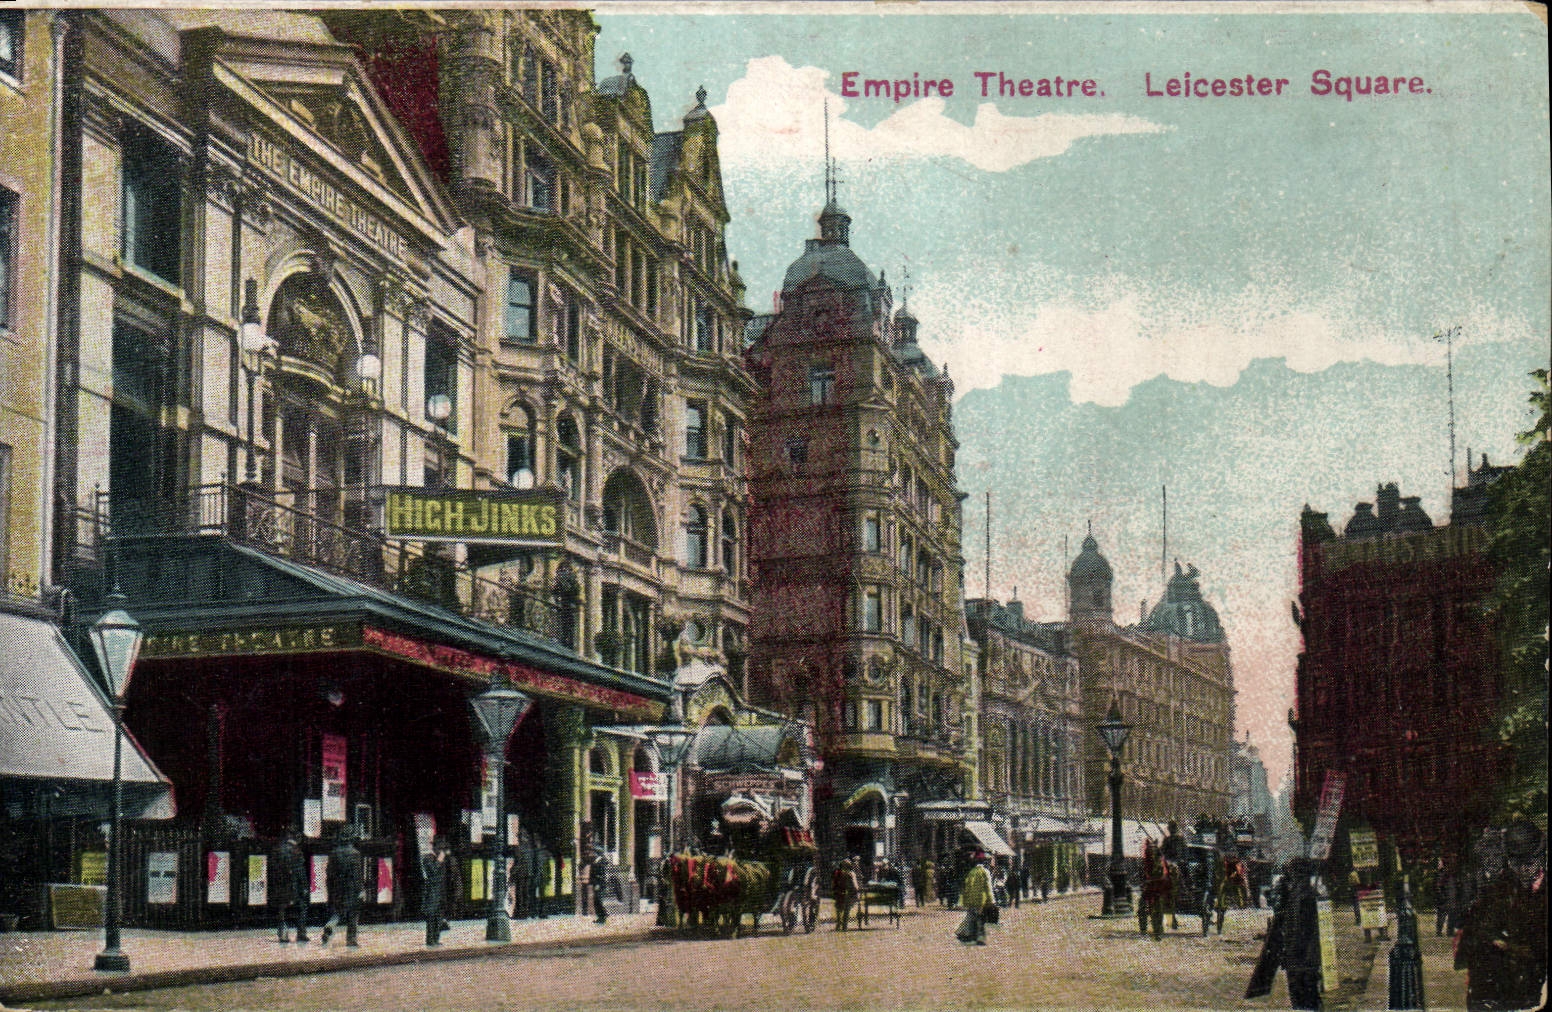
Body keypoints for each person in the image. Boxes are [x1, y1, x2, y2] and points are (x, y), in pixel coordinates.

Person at [1454, 820, 1548, 1011]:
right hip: (1502, 988)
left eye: (1529, 862)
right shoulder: (1497, 890)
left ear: (1541, 857)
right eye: (1516, 862)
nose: (1522, 869)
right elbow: (1477, 934)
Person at [1246, 856, 1323, 1010]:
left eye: (1291, 872)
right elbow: (1279, 912)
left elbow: (1311, 933)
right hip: (1296, 957)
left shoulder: (1305, 897)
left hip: (1301, 959)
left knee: (1304, 999)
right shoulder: (1294, 894)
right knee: (1302, 999)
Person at [320, 825, 363, 947]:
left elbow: (329, 872)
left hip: (336, 887)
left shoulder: (334, 853)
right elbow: (357, 874)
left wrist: (330, 888)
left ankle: (330, 925)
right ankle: (351, 939)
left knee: (338, 912)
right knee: (353, 913)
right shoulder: (355, 854)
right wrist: (360, 890)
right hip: (351, 888)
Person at [271, 829, 310, 943]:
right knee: (302, 907)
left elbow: (272, 869)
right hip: (294, 886)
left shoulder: (277, 850)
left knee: (282, 909)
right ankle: (301, 933)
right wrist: (304, 887)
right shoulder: (296, 851)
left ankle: (283, 934)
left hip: (280, 885)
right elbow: (300, 871)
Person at [956, 852, 994, 945]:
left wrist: (964, 900)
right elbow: (988, 888)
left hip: (971, 900)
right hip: (981, 900)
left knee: (971, 917)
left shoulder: (971, 872)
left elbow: (966, 888)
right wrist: (991, 900)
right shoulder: (985, 872)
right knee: (981, 919)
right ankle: (980, 938)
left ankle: (968, 934)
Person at [421, 836, 451, 946]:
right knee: (432, 917)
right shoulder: (427, 858)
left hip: (441, 893)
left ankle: (436, 939)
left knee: (439, 917)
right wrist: (439, 860)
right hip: (432, 893)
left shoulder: (441, 860)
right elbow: (433, 872)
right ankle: (430, 940)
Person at [589, 846, 620, 924]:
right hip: (595, 883)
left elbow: (602, 874)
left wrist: (598, 884)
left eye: (594, 852)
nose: (592, 854)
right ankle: (602, 916)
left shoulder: (602, 862)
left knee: (597, 899)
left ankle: (603, 916)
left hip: (599, 883)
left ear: (597, 853)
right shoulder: (596, 861)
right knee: (596, 900)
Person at [831, 858, 860, 931]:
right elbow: (855, 885)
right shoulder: (851, 873)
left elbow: (833, 883)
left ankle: (839, 923)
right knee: (847, 909)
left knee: (839, 908)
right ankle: (844, 925)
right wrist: (857, 891)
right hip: (848, 893)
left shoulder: (837, 872)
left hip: (839, 892)